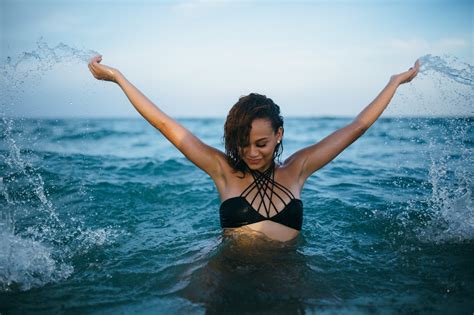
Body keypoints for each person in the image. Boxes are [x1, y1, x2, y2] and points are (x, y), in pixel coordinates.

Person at [88, 56, 420, 242]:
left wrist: (393, 83)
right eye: (242, 143)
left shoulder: (297, 169)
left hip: (288, 278)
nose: (251, 152)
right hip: (230, 276)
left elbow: (357, 127)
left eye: (261, 143)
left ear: (279, 134)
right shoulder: (223, 171)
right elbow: (165, 125)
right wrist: (118, 77)